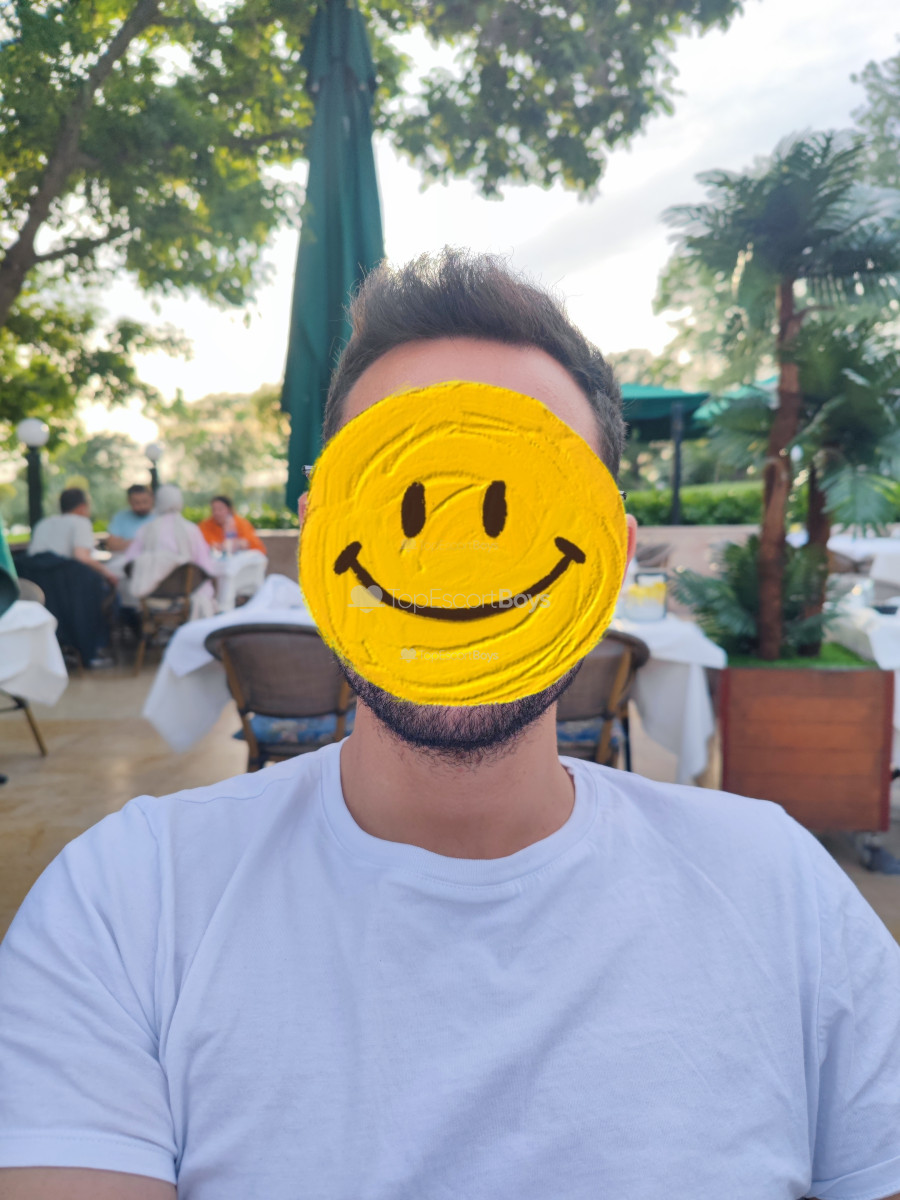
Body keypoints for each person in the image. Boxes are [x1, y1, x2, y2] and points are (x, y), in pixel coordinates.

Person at [1, 250, 899, 1200]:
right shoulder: (126, 903)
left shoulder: (779, 888)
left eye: (521, 491)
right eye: (405, 492)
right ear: (320, 543)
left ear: (611, 559)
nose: (457, 547)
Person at [18, 488, 119, 667]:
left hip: (40, 588)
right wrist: (108, 573)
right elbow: (81, 556)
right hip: (69, 588)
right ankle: (93, 651)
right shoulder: (80, 522)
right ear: (82, 507)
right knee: (105, 595)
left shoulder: (44, 523)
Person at [120, 484, 217, 619]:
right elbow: (206, 567)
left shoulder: (146, 530)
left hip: (152, 596)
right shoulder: (191, 530)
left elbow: (130, 563)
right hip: (188, 594)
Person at [198, 495, 266, 555]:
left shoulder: (241, 523)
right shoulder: (205, 525)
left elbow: (256, 547)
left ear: (229, 510)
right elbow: (203, 546)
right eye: (214, 509)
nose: (216, 513)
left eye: (220, 509)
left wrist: (239, 544)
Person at [105, 484, 156, 553]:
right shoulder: (120, 517)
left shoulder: (160, 516)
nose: (142, 506)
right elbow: (112, 545)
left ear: (152, 499)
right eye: (137, 503)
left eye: (145, 501)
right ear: (129, 501)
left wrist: (127, 543)